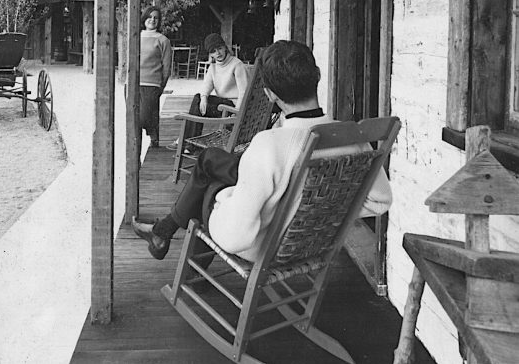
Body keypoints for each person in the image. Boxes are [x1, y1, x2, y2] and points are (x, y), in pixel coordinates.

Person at [132, 40, 392, 262]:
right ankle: (165, 236)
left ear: (268, 94)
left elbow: (235, 239)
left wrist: (223, 200)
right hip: (315, 242)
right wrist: (321, 217)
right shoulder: (354, 136)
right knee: (215, 169)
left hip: (266, 247)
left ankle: (167, 237)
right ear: (318, 76)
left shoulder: (269, 144)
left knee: (209, 187)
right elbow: (381, 200)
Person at [166, 33, 249, 150]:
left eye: (220, 48)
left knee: (198, 99)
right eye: (214, 51)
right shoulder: (213, 67)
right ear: (210, 54)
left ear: (225, 47)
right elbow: (206, 86)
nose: (218, 53)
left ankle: (186, 141)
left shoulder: (237, 65)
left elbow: (244, 92)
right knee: (198, 98)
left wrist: (236, 112)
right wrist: (204, 98)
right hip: (223, 106)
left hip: (233, 108)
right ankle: (188, 142)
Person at [139, 6, 172, 148]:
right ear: (144, 18)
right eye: (150, 16)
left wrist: (161, 85)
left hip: (152, 84)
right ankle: (140, 146)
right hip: (133, 83)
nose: (152, 20)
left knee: (144, 116)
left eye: (156, 18)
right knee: (133, 118)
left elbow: (167, 66)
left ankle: (153, 133)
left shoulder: (163, 40)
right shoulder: (135, 36)